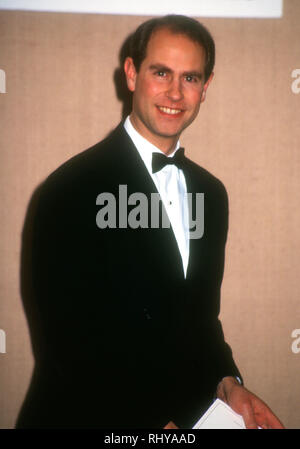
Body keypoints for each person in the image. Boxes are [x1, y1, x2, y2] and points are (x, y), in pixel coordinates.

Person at [17, 15, 284, 429]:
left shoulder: (210, 194)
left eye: (190, 78)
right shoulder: (68, 190)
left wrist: (229, 383)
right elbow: (66, 345)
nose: (175, 92)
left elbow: (199, 320)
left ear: (205, 87)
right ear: (131, 73)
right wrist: (149, 424)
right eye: (161, 72)